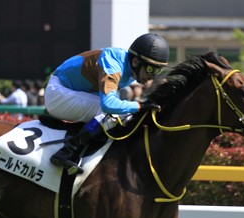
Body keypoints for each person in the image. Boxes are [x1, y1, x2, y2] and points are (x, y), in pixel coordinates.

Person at [44, 32, 169, 174]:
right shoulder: (113, 65)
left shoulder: (128, 68)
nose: (152, 77)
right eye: (150, 69)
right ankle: (67, 152)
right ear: (136, 62)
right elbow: (108, 104)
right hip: (57, 93)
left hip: (71, 92)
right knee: (110, 113)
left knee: (119, 115)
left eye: (158, 70)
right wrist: (140, 105)